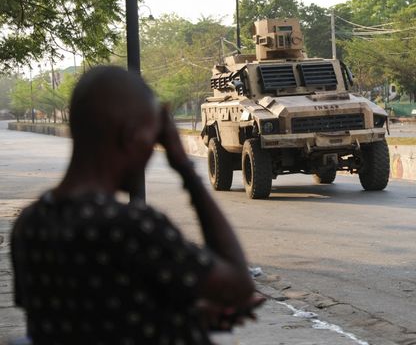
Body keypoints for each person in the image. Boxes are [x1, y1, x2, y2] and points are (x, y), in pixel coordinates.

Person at [11, 66, 262, 345]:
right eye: (153, 138)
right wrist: (185, 168)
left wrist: (188, 317)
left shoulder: (30, 225)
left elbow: (98, 317)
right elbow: (237, 286)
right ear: (131, 135)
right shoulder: (133, 227)